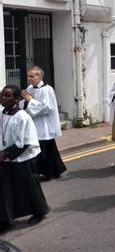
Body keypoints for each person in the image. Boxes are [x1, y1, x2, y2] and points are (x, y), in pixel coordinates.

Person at [0, 85, 50, 232]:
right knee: (5, 189)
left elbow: (27, 141)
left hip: (22, 158)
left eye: (8, 96)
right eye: (3, 95)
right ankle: (5, 218)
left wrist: (7, 153)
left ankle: (40, 210)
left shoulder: (22, 117)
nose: (4, 98)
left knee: (29, 186)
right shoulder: (1, 114)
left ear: (17, 99)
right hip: (4, 157)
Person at [21, 66, 66, 180]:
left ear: (40, 76)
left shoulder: (47, 89)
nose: (29, 78)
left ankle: (47, 172)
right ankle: (56, 170)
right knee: (49, 150)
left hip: (45, 125)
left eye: (32, 76)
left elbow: (47, 108)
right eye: (28, 76)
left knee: (44, 150)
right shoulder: (30, 88)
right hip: (35, 123)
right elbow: (25, 102)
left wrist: (30, 100)